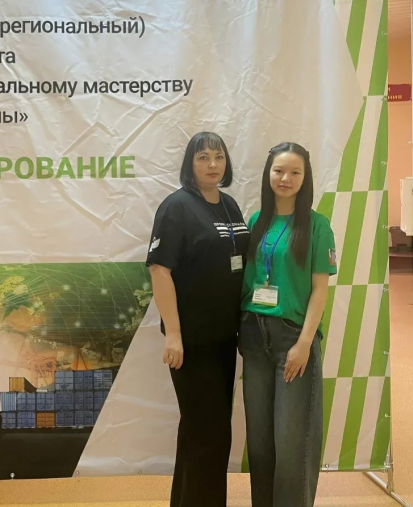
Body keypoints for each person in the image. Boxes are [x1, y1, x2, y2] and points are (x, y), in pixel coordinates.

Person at [146, 131, 250, 506]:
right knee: (206, 432)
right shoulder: (177, 207)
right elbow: (160, 270)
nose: (212, 165)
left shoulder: (230, 205)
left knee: (208, 432)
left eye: (218, 157)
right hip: (191, 342)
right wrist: (173, 334)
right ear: (190, 163)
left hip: (224, 339)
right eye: (203, 157)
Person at [239, 142, 337, 507]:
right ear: (268, 174)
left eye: (295, 172)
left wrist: (305, 343)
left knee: (292, 443)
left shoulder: (317, 225)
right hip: (254, 336)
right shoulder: (256, 222)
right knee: (260, 443)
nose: (286, 178)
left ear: (305, 177)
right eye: (279, 170)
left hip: (293, 340)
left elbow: (320, 290)